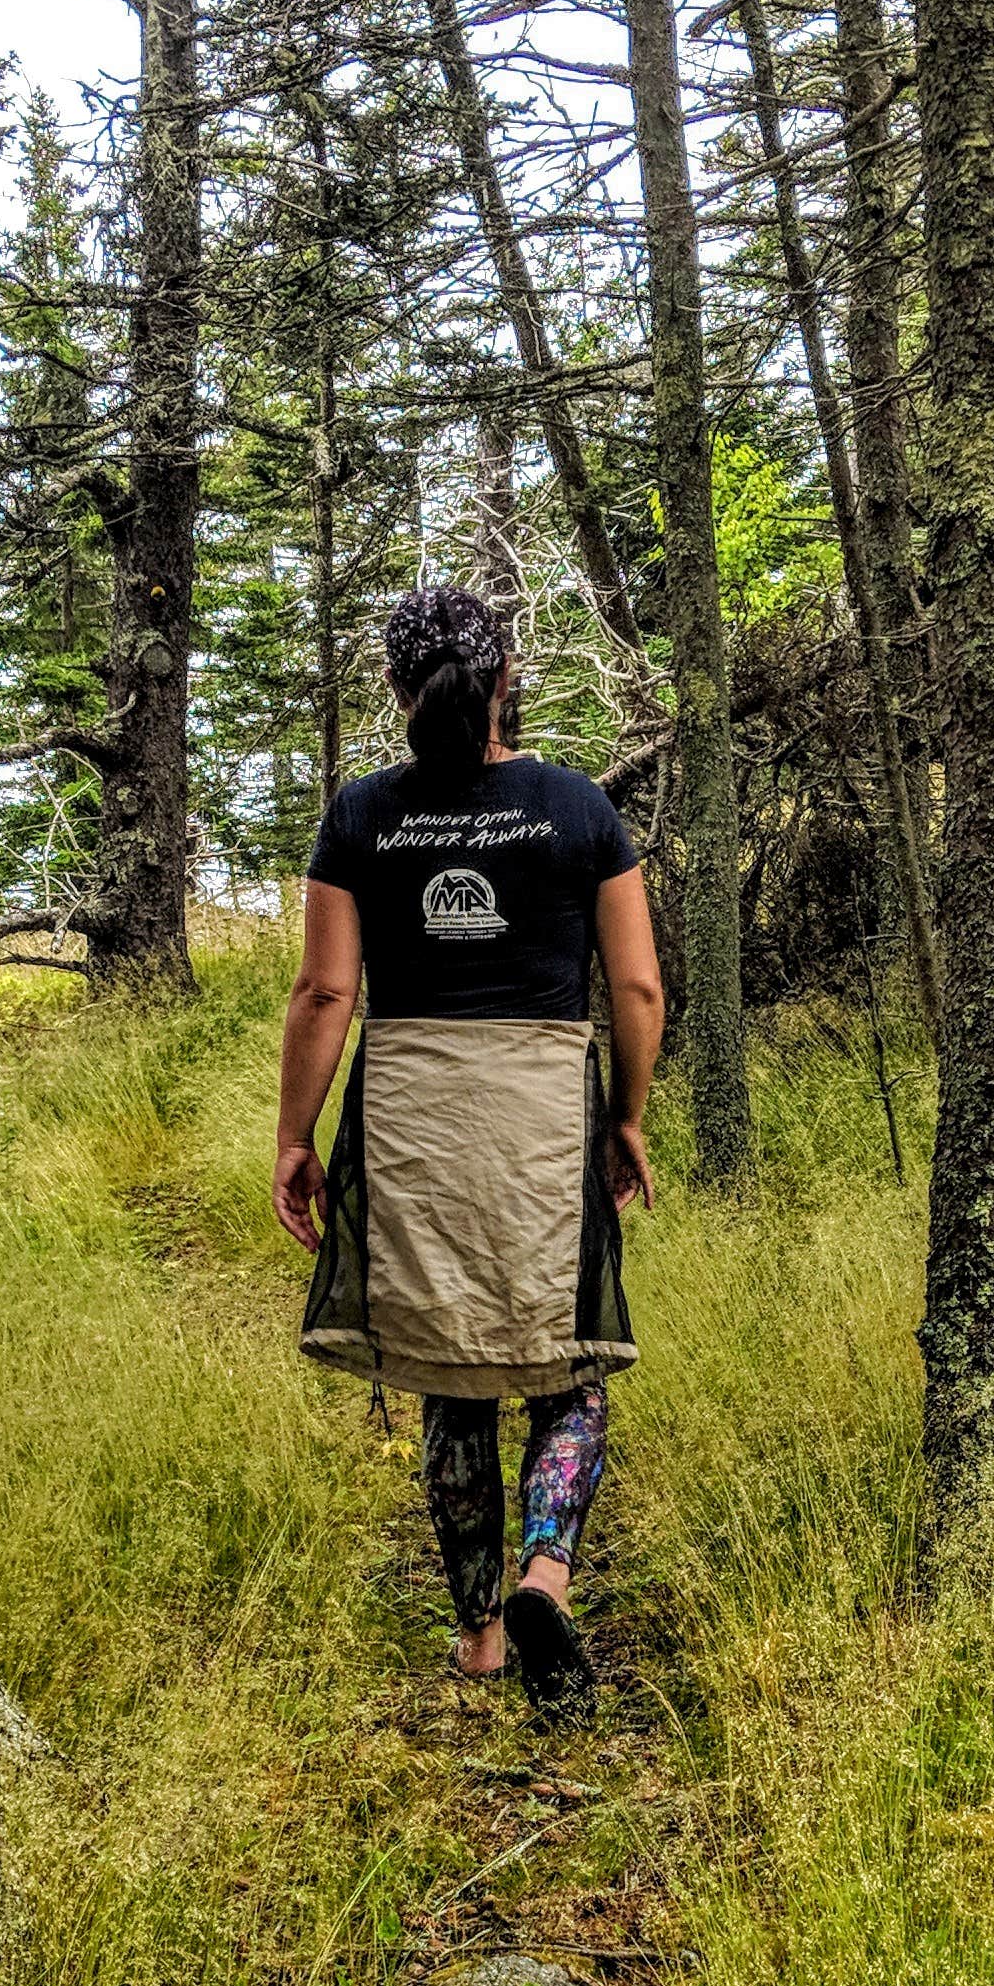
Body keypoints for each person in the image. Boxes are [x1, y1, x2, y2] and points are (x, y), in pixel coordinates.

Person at [273, 584, 664, 1718]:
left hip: (411, 1115)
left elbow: (325, 991)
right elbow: (637, 986)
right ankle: (550, 1569)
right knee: (570, 1365)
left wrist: (297, 1138)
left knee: (450, 1370)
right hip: (543, 1108)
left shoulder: (361, 815)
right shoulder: (578, 807)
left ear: (398, 691)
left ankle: (484, 1637)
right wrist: (625, 1118)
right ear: (505, 681)